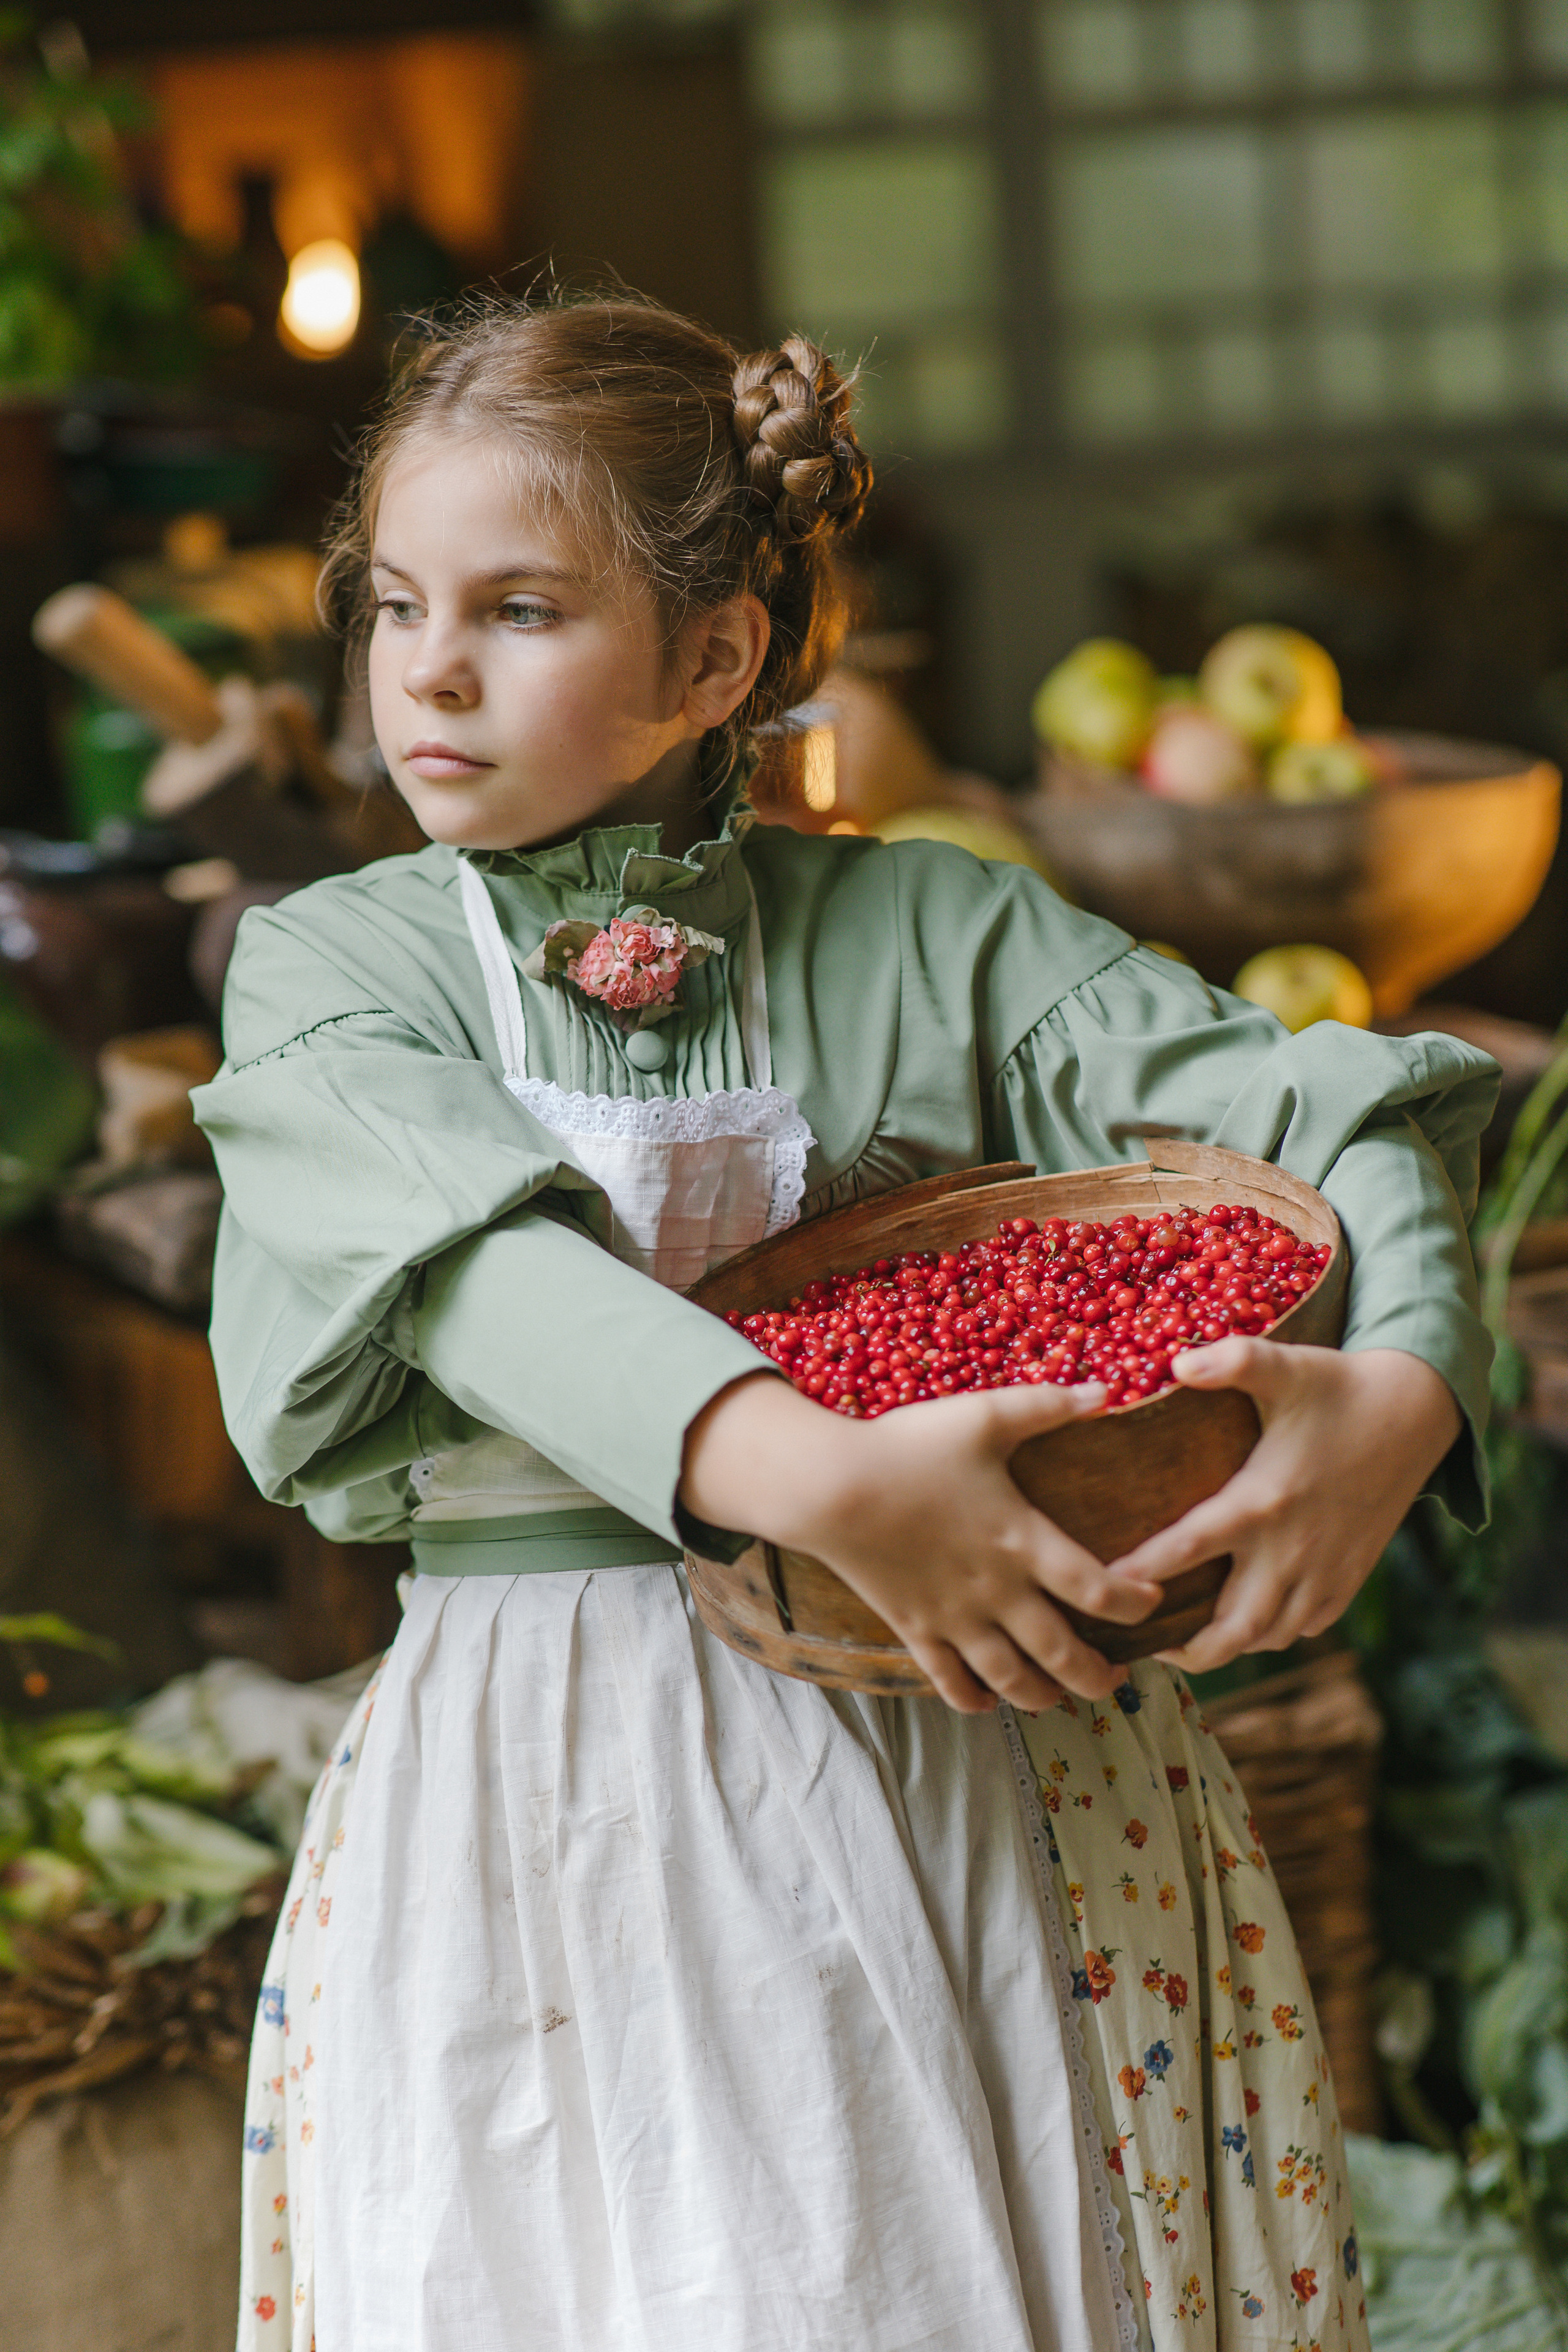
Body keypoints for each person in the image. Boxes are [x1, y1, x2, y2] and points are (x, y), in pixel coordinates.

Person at [198, 294, 1496, 2352]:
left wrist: (1409, 1385)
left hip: (988, 1768)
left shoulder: (939, 929)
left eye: (520, 609)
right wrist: (833, 1487)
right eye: (396, 605)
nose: (427, 671)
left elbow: (1325, 1101)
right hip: (566, 1799)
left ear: (715, 658)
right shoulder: (332, 973)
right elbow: (478, 1273)